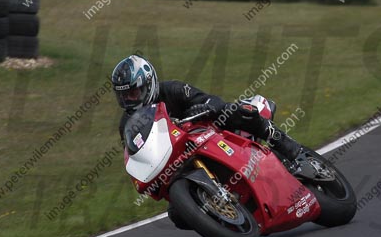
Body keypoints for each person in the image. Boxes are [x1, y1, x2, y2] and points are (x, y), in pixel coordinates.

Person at [111, 54, 303, 166]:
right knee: (177, 215)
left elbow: (211, 99)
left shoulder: (173, 89)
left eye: (134, 93)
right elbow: (136, 156)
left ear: (148, 83)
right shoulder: (127, 124)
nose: (129, 99)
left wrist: (205, 106)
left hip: (210, 131)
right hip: (180, 157)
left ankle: (290, 149)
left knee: (239, 112)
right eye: (124, 95)